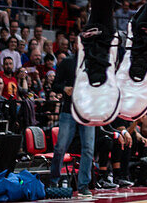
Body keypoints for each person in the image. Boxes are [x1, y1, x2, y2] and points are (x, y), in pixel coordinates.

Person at [49, 52, 94, 198]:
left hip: (87, 111)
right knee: (60, 147)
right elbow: (55, 85)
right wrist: (64, 88)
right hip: (69, 110)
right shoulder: (67, 62)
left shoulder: (94, 63)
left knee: (88, 148)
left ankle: (83, 185)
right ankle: (54, 181)